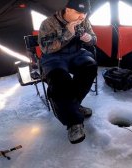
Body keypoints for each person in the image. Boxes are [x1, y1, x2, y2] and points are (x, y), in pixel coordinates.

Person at [38, 0, 97, 144]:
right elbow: (46, 48)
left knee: (90, 67)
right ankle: (74, 123)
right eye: (78, 12)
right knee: (60, 81)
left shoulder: (84, 21)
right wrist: (67, 34)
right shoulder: (48, 23)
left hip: (76, 54)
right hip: (54, 57)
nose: (82, 16)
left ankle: (73, 106)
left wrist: (89, 39)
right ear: (68, 10)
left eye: (85, 13)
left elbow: (94, 39)